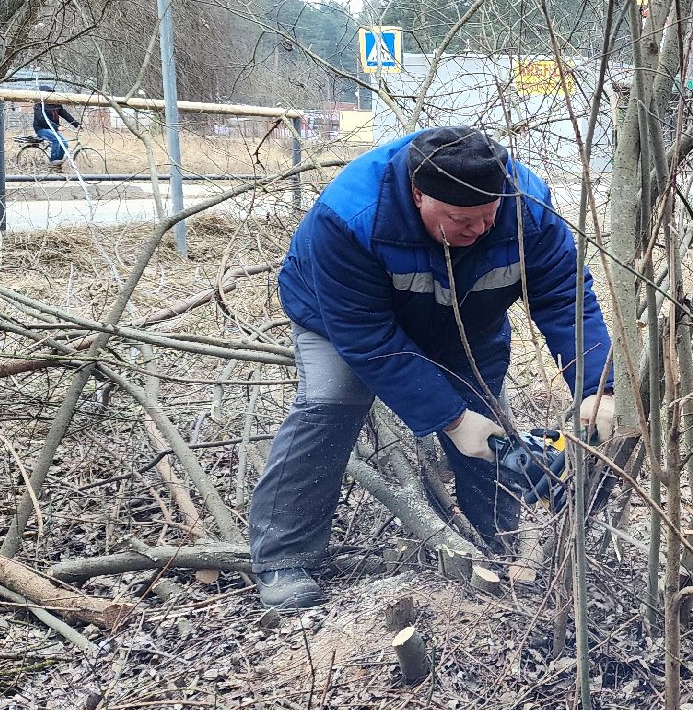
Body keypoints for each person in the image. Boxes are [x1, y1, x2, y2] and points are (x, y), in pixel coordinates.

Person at [248, 125, 616, 609]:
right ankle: (284, 557)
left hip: (466, 317)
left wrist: (597, 387)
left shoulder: (528, 208)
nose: (480, 229)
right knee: (332, 403)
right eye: (462, 219)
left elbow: (564, 297)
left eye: (490, 215)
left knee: (489, 426)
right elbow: (367, 336)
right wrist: (451, 419)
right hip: (341, 320)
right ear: (419, 194)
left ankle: (498, 547)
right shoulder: (351, 215)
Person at [31, 87, 80, 169]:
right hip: (41, 128)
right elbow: (42, 119)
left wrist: (76, 123)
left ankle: (57, 164)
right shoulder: (39, 105)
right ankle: (53, 161)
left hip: (53, 129)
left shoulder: (56, 104)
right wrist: (57, 127)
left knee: (64, 144)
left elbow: (64, 114)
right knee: (56, 139)